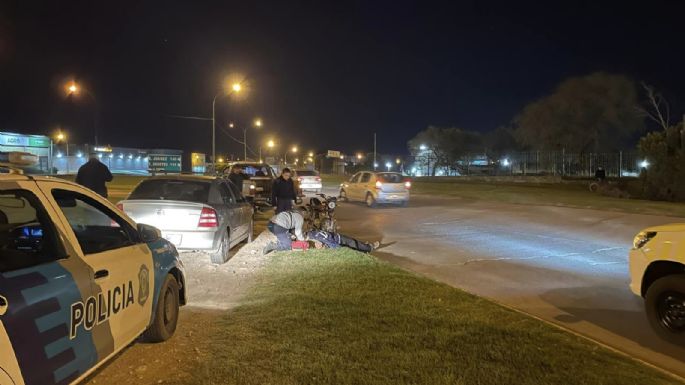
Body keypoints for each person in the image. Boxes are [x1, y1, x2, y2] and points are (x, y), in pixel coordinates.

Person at [263, 209, 379, 254]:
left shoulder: (310, 233)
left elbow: (298, 234)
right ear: (303, 213)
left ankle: (368, 248)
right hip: (277, 226)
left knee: (352, 242)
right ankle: (275, 245)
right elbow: (299, 233)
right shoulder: (299, 219)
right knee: (289, 245)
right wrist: (301, 238)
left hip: (271, 224)